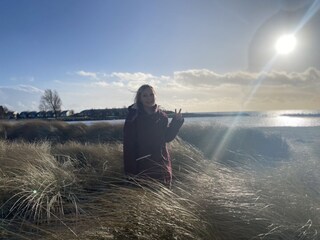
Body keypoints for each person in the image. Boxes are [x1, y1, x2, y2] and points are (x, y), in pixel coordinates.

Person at [123, 84, 184, 186]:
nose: (149, 98)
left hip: (162, 164)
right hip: (142, 166)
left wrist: (176, 122)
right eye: (145, 95)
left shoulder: (161, 116)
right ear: (140, 98)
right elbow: (128, 145)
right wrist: (130, 172)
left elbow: (167, 137)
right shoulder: (133, 117)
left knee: (162, 197)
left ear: (155, 95)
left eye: (151, 94)